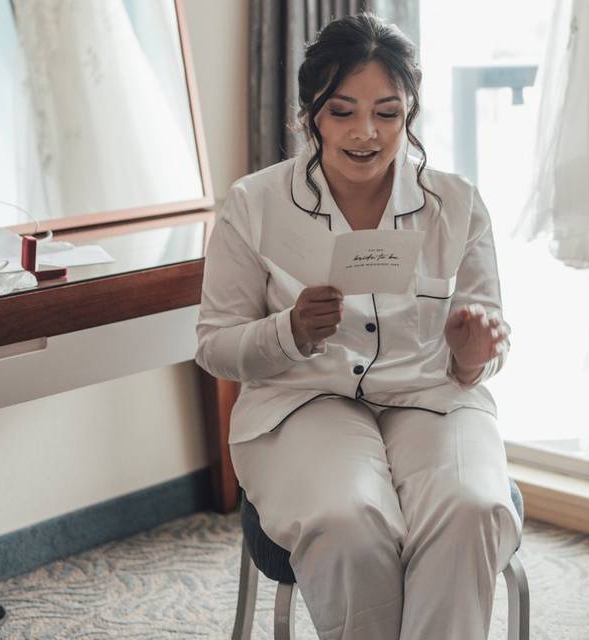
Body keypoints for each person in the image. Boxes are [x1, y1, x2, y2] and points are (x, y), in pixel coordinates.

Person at [194, 12, 521, 640]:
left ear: (410, 114)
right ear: (309, 112)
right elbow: (214, 346)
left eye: (388, 113)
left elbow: (487, 334)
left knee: (472, 508)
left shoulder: (457, 205)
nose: (366, 133)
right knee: (349, 519)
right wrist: (289, 331)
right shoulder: (253, 205)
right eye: (342, 111)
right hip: (301, 401)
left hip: (433, 399)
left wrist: (475, 353)